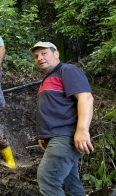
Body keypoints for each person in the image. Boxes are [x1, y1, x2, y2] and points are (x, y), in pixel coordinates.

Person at [30, 41, 94, 195]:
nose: (40, 58)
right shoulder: (47, 79)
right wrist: (43, 135)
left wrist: (82, 130)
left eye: (44, 53)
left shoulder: (67, 70)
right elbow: (53, 108)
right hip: (54, 136)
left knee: (47, 179)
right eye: (36, 56)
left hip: (65, 135)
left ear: (56, 53)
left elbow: (86, 98)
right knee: (71, 184)